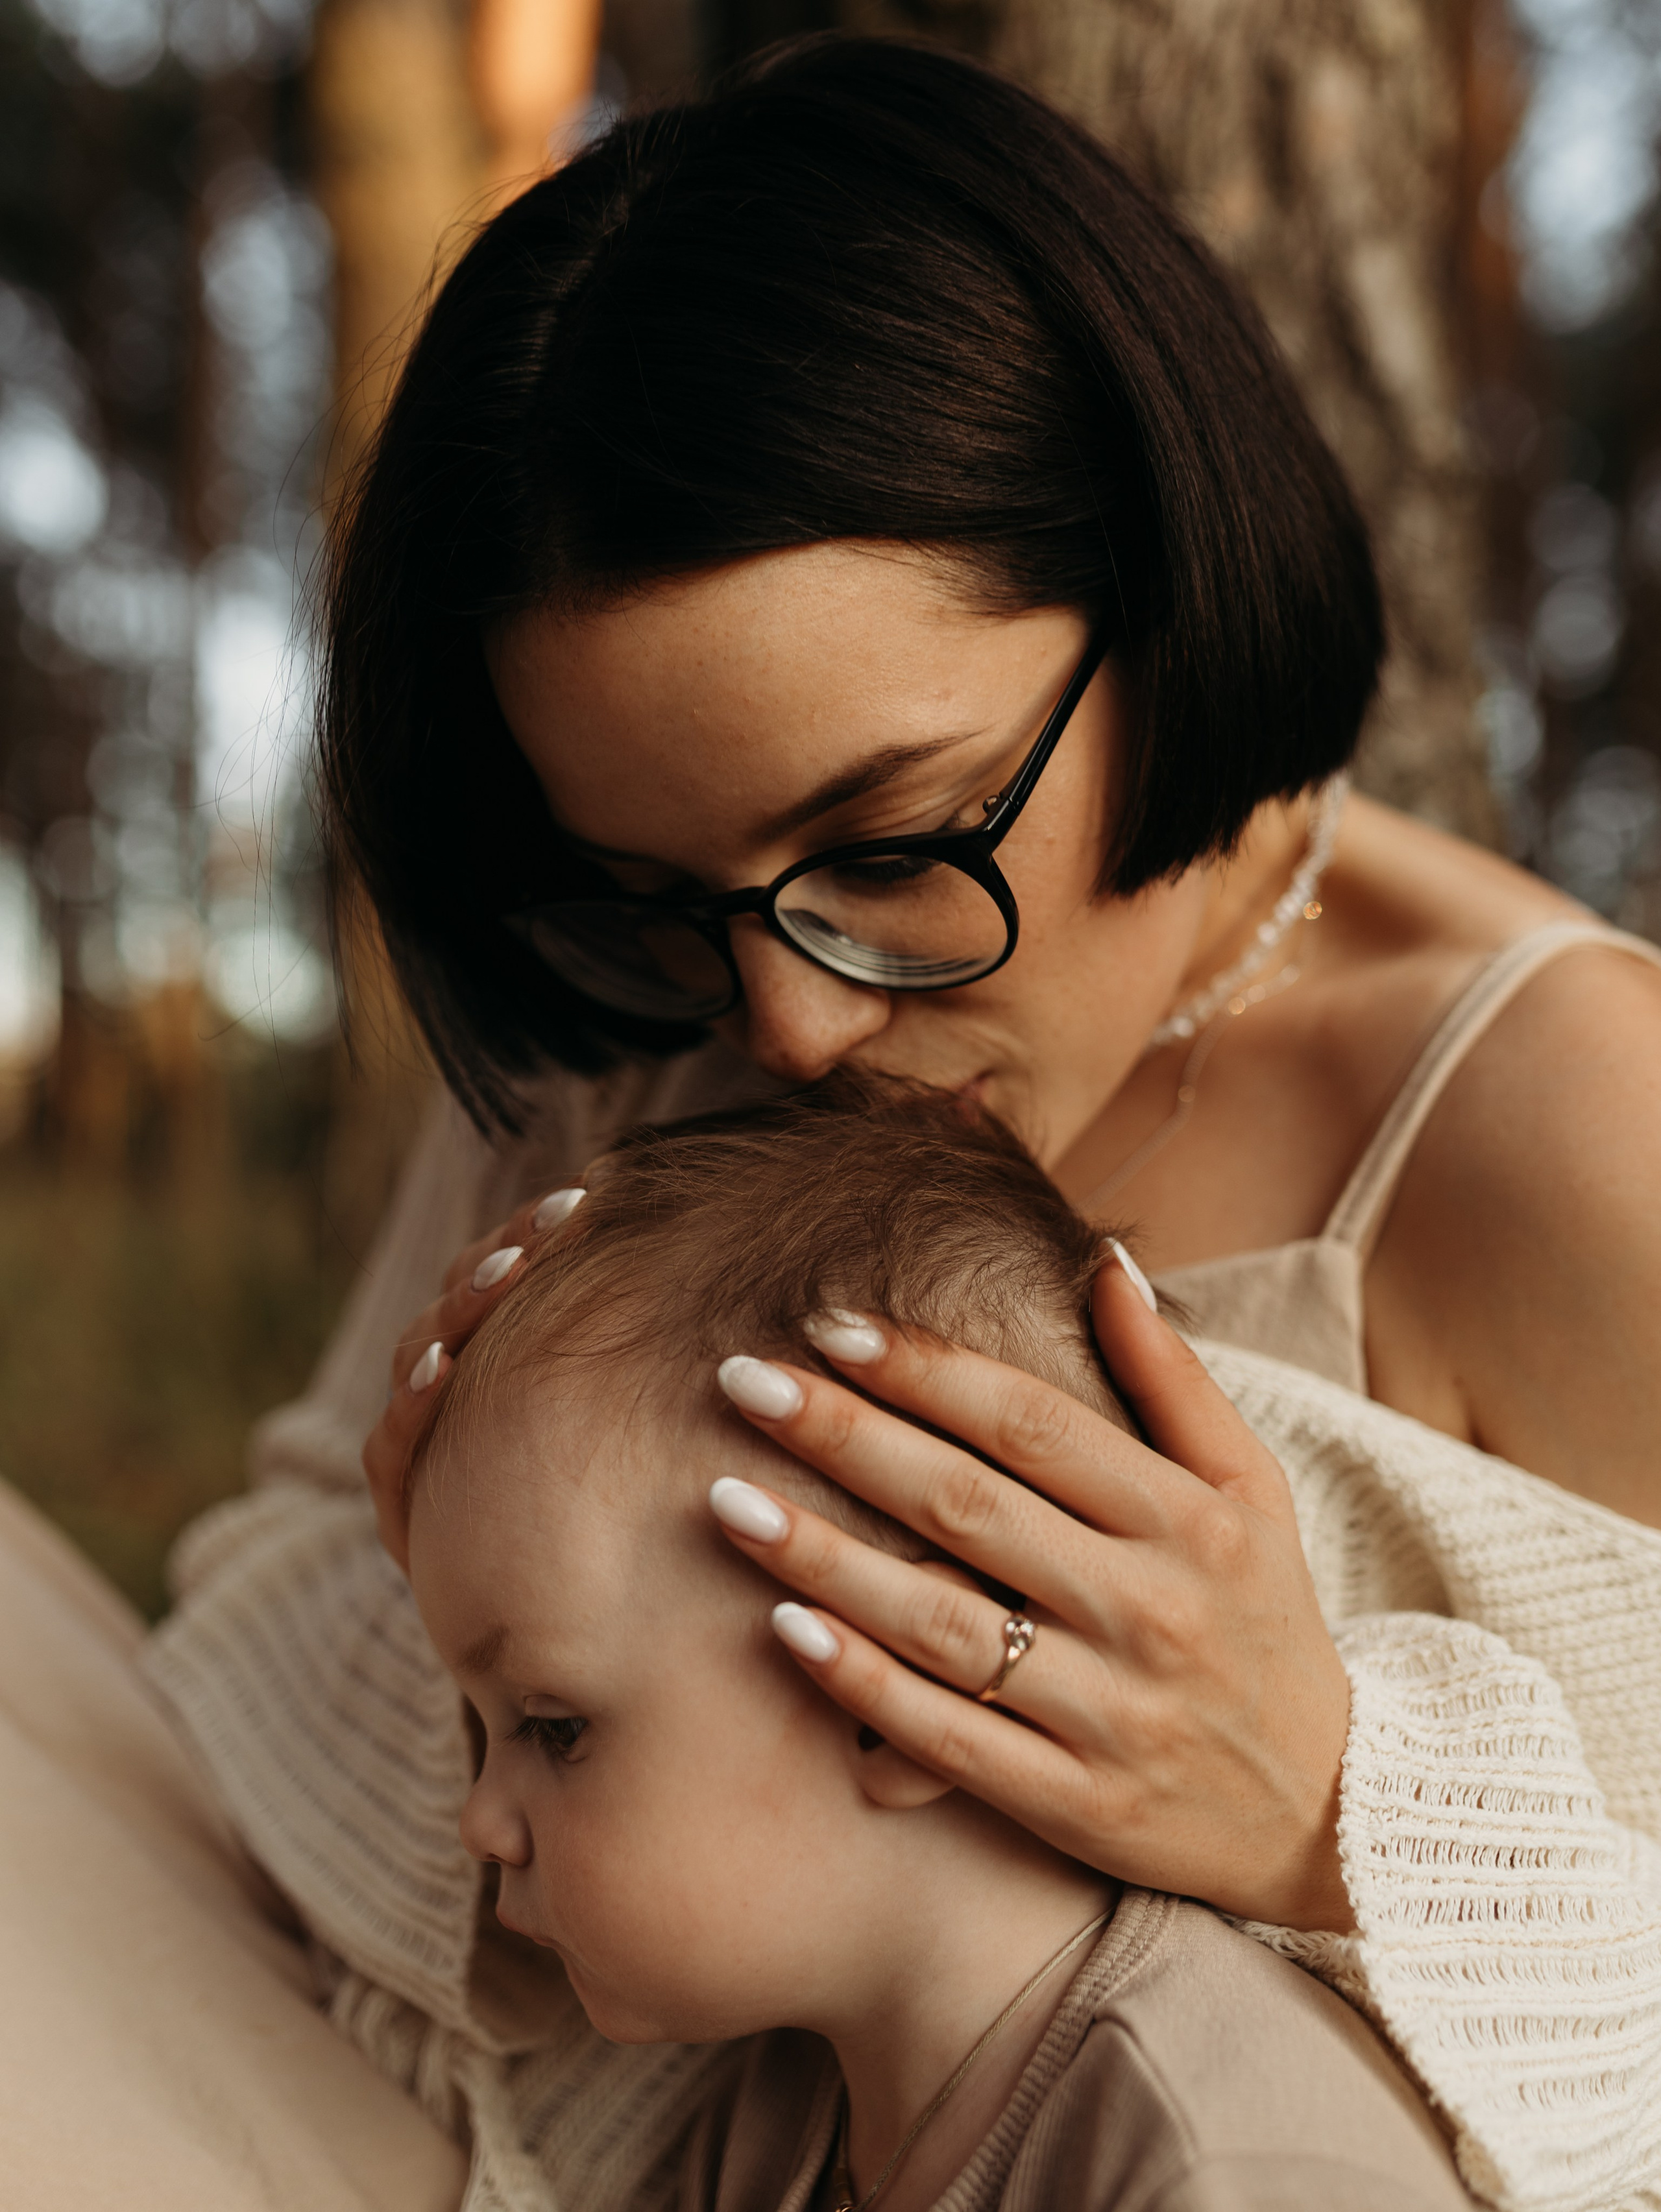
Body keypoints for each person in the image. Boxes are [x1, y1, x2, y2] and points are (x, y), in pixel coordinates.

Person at [8, 29, 1661, 2212]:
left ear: (1163, 582)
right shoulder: (640, 1014)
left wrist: (1336, 1811)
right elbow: (274, 1629)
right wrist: (463, 1597)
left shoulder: (1564, 1134)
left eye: (887, 843)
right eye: (669, 897)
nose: (781, 1025)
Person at [398, 1077, 1470, 2212]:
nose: (478, 1820)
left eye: (553, 1726)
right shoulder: (786, 2114)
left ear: (908, 1682)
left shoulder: (1229, 2159)